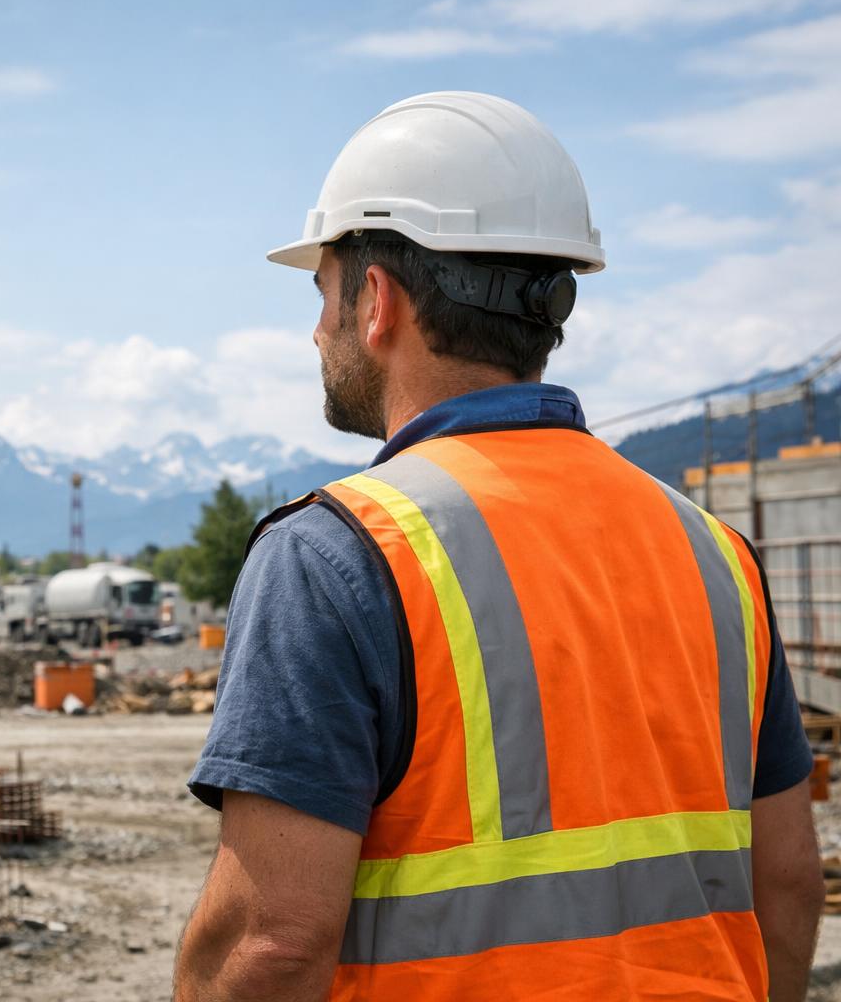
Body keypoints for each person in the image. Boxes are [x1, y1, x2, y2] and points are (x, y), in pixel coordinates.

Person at [173, 92, 821, 1001]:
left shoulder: (337, 555)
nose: (315, 330)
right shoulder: (715, 552)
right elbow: (787, 888)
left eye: (321, 291)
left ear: (376, 300)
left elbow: (271, 948)